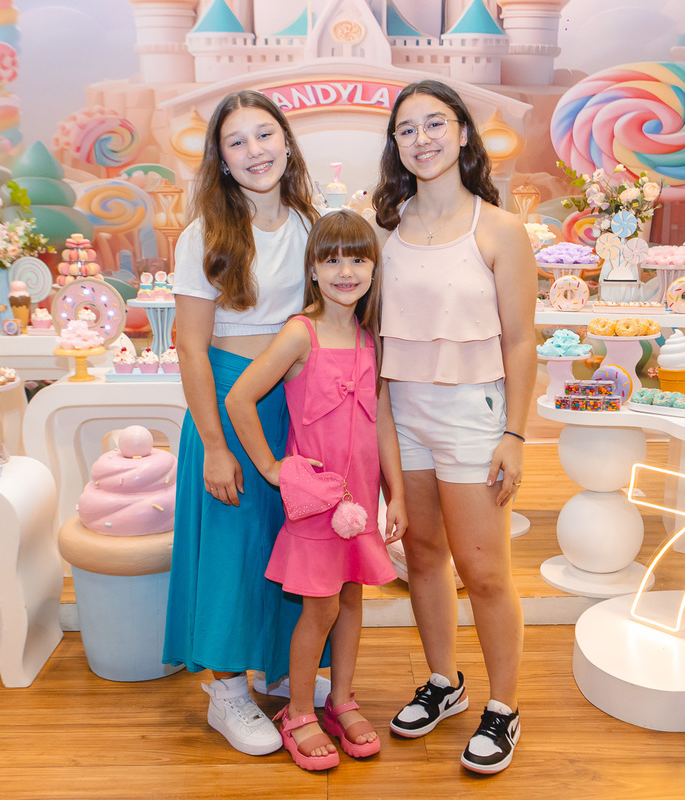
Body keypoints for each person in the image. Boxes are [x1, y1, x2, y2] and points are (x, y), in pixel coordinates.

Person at [371, 79, 535, 774]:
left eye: (435, 123)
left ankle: (504, 707)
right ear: (396, 145)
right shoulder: (384, 231)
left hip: (474, 416)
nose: (423, 139)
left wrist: (515, 435)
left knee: (485, 571)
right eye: (407, 129)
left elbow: (521, 341)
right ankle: (444, 682)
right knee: (422, 557)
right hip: (403, 413)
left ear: (463, 132)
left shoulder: (499, 229)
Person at [163, 89, 326, 756]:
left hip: (296, 400)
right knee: (231, 547)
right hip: (229, 400)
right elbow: (191, 347)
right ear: (222, 160)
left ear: (286, 142)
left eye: (265, 135)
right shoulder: (204, 236)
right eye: (237, 141)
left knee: (288, 544)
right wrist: (212, 444)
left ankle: (279, 669)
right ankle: (227, 692)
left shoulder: (313, 226)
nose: (255, 151)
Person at [225, 210, 407, 772]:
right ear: (313, 271)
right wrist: (272, 467)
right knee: (320, 605)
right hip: (314, 502)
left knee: (351, 597)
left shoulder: (372, 339)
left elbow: (382, 422)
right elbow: (239, 397)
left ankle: (341, 700)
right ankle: (299, 712)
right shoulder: (299, 333)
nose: (345, 272)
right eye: (332, 260)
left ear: (374, 269)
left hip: (361, 501)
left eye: (357, 259)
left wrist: (396, 494)